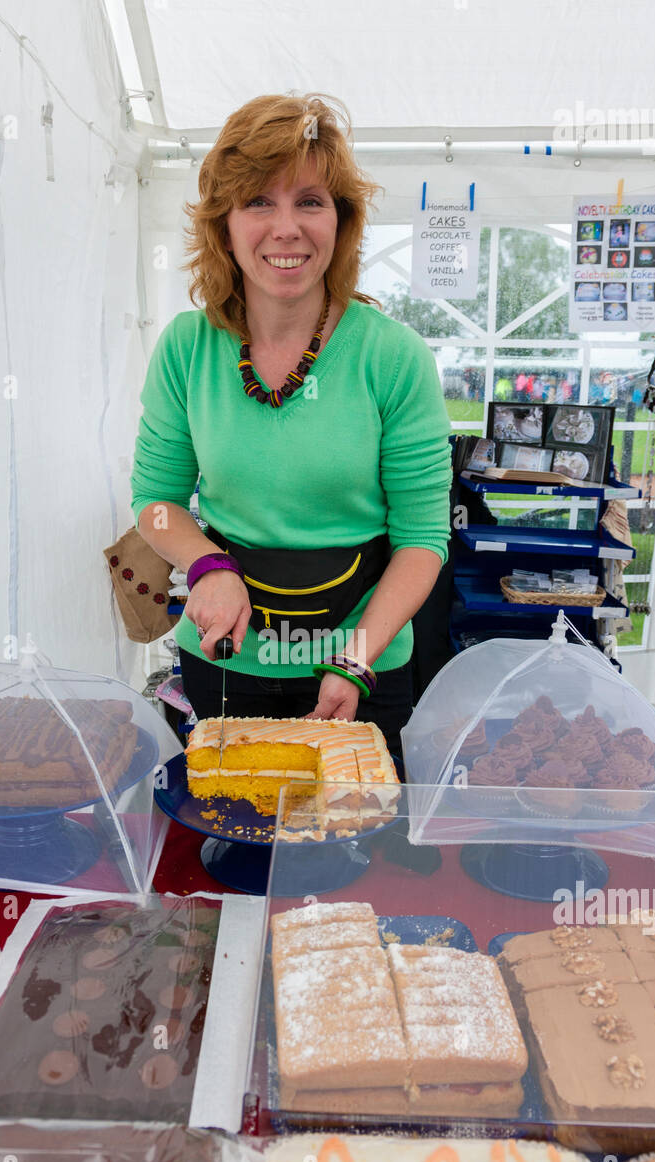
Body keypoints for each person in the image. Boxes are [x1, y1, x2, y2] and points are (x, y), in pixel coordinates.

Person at [130, 94, 452, 762]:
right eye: (257, 202)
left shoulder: (391, 356)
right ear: (222, 226)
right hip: (225, 662)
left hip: (362, 667)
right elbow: (154, 505)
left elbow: (422, 538)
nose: (286, 228)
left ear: (341, 222)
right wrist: (207, 563)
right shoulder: (186, 348)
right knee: (231, 841)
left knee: (348, 847)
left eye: (309, 201)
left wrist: (357, 659)